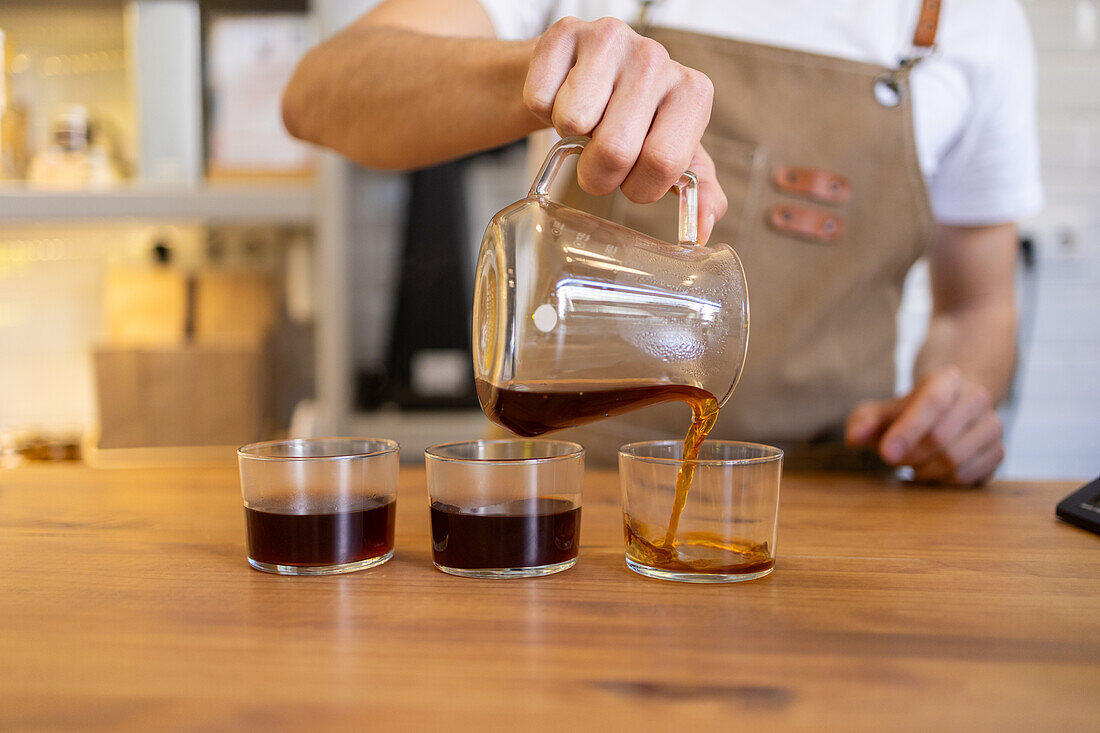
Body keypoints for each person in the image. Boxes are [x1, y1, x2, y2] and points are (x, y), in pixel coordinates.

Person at [282, 0, 1042, 484]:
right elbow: (316, 94)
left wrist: (956, 403)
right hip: (563, 497)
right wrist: (543, 67)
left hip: (836, 508)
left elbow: (977, 308)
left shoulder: (973, 22)